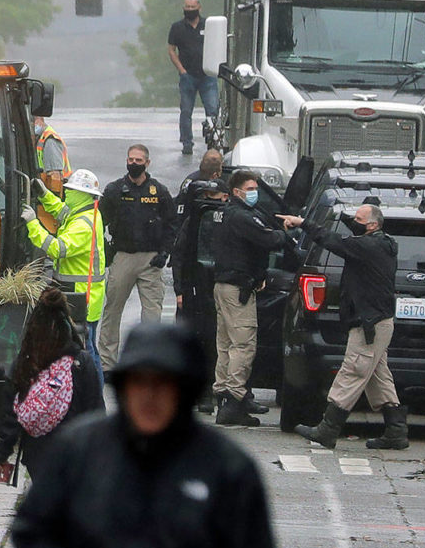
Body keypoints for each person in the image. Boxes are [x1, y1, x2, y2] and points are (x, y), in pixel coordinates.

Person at [11, 323, 285, 548]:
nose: (149, 396)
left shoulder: (227, 469)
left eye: (163, 384)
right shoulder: (80, 450)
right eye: (139, 382)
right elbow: (32, 534)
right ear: (123, 388)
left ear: (185, 390)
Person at [277, 205, 408, 450]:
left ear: (372, 226)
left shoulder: (366, 247)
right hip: (378, 322)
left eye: (359, 220)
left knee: (353, 371)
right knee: (378, 376)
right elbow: (348, 231)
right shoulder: (381, 244)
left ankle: (328, 428)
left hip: (368, 323)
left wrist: (303, 222)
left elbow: (332, 240)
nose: (354, 222)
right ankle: (396, 431)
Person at [0, 288, 105, 483]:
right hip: (75, 452)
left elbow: (11, 415)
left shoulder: (26, 362)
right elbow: (96, 411)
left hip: (38, 454)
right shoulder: (80, 362)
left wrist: (2, 454)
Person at [211, 170, 292, 426]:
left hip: (225, 286)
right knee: (243, 346)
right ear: (237, 191)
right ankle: (234, 399)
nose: (254, 191)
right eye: (250, 187)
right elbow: (267, 239)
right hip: (237, 289)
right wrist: (286, 233)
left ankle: (225, 395)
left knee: (226, 345)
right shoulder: (241, 216)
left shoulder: (228, 212)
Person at [97, 144, 175, 372]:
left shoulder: (158, 192)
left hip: (151, 260)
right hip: (123, 256)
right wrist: (106, 250)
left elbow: (172, 224)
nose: (133, 164)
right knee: (112, 312)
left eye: (138, 160)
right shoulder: (115, 190)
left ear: (147, 163)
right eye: (130, 159)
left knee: (152, 315)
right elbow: (98, 222)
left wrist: (164, 253)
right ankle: (107, 364)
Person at [22, 169, 106, 375]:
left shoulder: (83, 225)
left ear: (83, 194)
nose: (67, 192)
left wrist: (33, 223)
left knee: (87, 352)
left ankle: (94, 395)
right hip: (83, 292)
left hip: (82, 295)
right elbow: (62, 211)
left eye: (71, 190)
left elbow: (57, 249)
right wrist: (44, 194)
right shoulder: (85, 212)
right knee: (87, 348)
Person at [172, 177, 230, 414]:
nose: (208, 201)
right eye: (206, 197)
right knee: (195, 342)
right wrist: (180, 290)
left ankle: (211, 391)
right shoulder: (195, 220)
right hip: (196, 288)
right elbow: (180, 255)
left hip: (221, 286)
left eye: (213, 197)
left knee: (216, 343)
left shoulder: (230, 220)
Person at [168, 0, 219, 155]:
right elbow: (171, 49)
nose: (190, 10)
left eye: (192, 7)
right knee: (186, 111)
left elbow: (218, 45)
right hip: (187, 75)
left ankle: (214, 142)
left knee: (213, 110)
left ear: (199, 8)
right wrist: (181, 70)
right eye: (187, 7)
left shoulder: (208, 25)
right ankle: (187, 143)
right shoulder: (177, 27)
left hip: (207, 74)